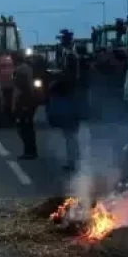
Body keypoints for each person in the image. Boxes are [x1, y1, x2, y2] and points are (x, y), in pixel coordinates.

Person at [47, 30, 81, 171]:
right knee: (69, 133)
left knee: (70, 133)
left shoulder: (71, 56)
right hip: (68, 95)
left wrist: (56, 80)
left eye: (62, 39)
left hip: (69, 96)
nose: (60, 42)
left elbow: (69, 76)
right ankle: (73, 160)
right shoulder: (68, 54)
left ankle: (73, 161)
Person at [11, 51, 37, 160]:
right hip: (30, 100)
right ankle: (32, 151)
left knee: (23, 128)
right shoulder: (28, 68)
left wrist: (14, 104)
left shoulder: (19, 70)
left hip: (23, 101)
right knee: (29, 126)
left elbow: (18, 89)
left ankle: (29, 151)